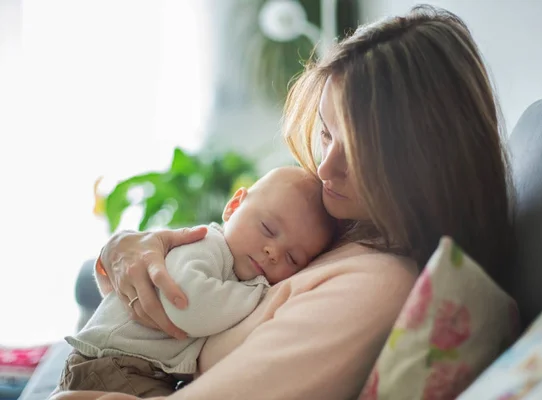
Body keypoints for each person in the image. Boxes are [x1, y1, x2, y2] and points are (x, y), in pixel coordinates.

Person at [52, 5, 515, 400]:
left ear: (426, 161)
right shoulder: (341, 218)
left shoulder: (379, 283)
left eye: (359, 154)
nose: (326, 169)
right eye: (327, 133)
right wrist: (128, 246)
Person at [55, 166, 335, 397]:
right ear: (233, 206)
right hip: (113, 362)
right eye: (267, 229)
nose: (273, 252)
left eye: (293, 258)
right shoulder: (206, 244)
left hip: (137, 368)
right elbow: (187, 306)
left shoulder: (230, 270)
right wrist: (259, 293)